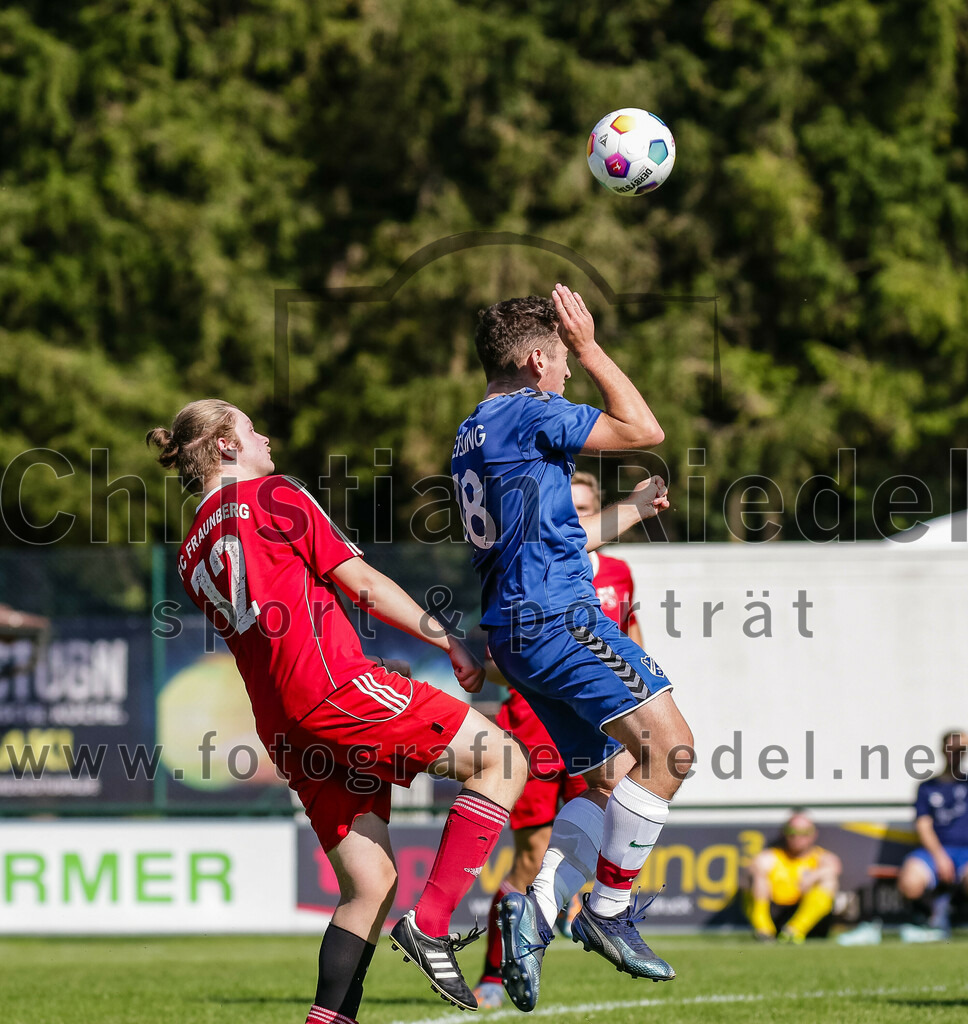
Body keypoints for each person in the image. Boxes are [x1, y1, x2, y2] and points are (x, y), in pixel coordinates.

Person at [147, 400, 527, 1022]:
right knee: (504, 759)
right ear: (223, 446)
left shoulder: (191, 550)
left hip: (283, 726)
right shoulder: (274, 495)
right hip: (335, 691)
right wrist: (447, 639)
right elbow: (365, 584)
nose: (264, 436)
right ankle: (431, 925)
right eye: (249, 428)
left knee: (370, 886)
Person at [451, 285, 693, 1012]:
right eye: (559, 364)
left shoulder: (474, 429)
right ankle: (610, 911)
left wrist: (623, 509)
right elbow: (642, 426)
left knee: (606, 780)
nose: (565, 377)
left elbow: (551, 529)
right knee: (672, 751)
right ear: (535, 360)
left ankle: (538, 915)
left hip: (516, 634)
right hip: (559, 617)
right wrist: (590, 347)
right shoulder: (532, 408)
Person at [472, 471, 645, 1009]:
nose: (580, 519)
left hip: (602, 726)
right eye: (571, 509)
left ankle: (575, 914)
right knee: (529, 856)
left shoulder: (618, 573)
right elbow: (491, 664)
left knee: (600, 821)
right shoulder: (527, 567)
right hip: (534, 726)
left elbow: (635, 646)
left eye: (589, 509)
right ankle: (496, 974)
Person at [895, 729, 968, 941]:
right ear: (943, 751)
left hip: (966, 852)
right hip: (935, 851)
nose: (957, 754)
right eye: (952, 749)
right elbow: (923, 826)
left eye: (962, 749)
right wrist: (939, 856)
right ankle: (928, 923)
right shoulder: (927, 787)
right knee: (910, 881)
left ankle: (954, 914)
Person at [744, 810, 841, 943]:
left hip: (804, 916)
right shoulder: (771, 857)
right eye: (792, 832)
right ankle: (764, 931)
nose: (797, 837)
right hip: (775, 912)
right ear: (784, 833)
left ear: (813, 834)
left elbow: (833, 868)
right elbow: (754, 868)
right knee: (755, 877)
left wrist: (814, 876)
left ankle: (795, 931)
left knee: (828, 880)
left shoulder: (821, 858)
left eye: (804, 832)